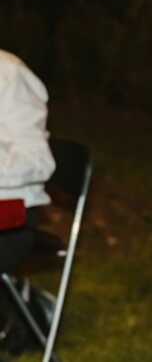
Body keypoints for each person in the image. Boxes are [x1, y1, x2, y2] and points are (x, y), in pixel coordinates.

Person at [0, 49, 55, 355]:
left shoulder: (7, 73)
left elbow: (39, 160)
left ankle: (27, 310)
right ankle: (22, 307)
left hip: (11, 219)